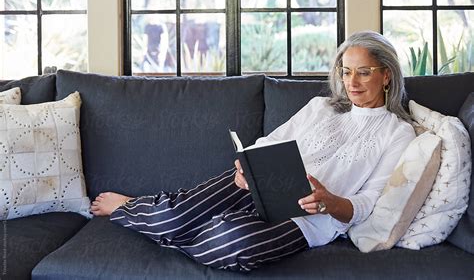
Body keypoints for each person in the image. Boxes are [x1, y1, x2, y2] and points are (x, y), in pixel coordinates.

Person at [91, 30, 416, 271]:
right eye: (346, 71)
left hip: (309, 220)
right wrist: (247, 166)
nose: (352, 81)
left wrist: (330, 203)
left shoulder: (397, 132)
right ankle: (138, 208)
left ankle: (173, 224)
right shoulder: (321, 107)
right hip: (261, 185)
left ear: (386, 74)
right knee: (173, 214)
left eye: (363, 72)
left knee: (234, 245)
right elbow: (271, 142)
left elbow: (369, 202)